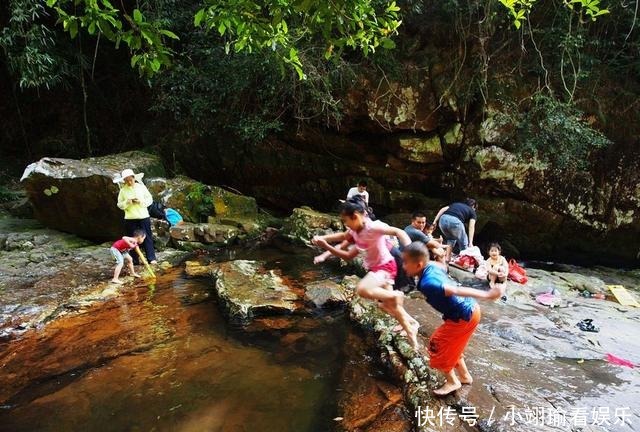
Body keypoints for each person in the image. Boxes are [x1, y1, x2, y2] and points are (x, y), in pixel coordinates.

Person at [312, 198, 420, 348]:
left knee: (362, 289)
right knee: (388, 306)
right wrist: (323, 240)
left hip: (386, 266)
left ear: (355, 216)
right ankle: (411, 329)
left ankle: (396, 295)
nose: (345, 225)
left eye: (345, 221)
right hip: (378, 266)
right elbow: (344, 243)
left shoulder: (373, 227)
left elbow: (398, 231)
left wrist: (410, 250)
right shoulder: (355, 231)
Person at [402, 242, 502, 396]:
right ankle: (464, 377)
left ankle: (452, 381)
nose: (403, 266)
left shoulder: (429, 283)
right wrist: (440, 254)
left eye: (406, 262)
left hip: (464, 316)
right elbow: (443, 264)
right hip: (470, 311)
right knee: (452, 345)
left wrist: (487, 294)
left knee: (437, 344)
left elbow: (455, 289)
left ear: (419, 264)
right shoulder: (431, 266)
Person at [115, 168, 157, 265]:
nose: (129, 182)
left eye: (131, 179)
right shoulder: (123, 190)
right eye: (127, 180)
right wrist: (127, 202)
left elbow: (149, 199)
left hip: (143, 216)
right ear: (124, 181)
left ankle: (151, 258)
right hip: (130, 218)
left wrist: (141, 202)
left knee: (147, 237)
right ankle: (135, 260)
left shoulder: (141, 187)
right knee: (131, 238)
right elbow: (119, 204)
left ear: (134, 178)